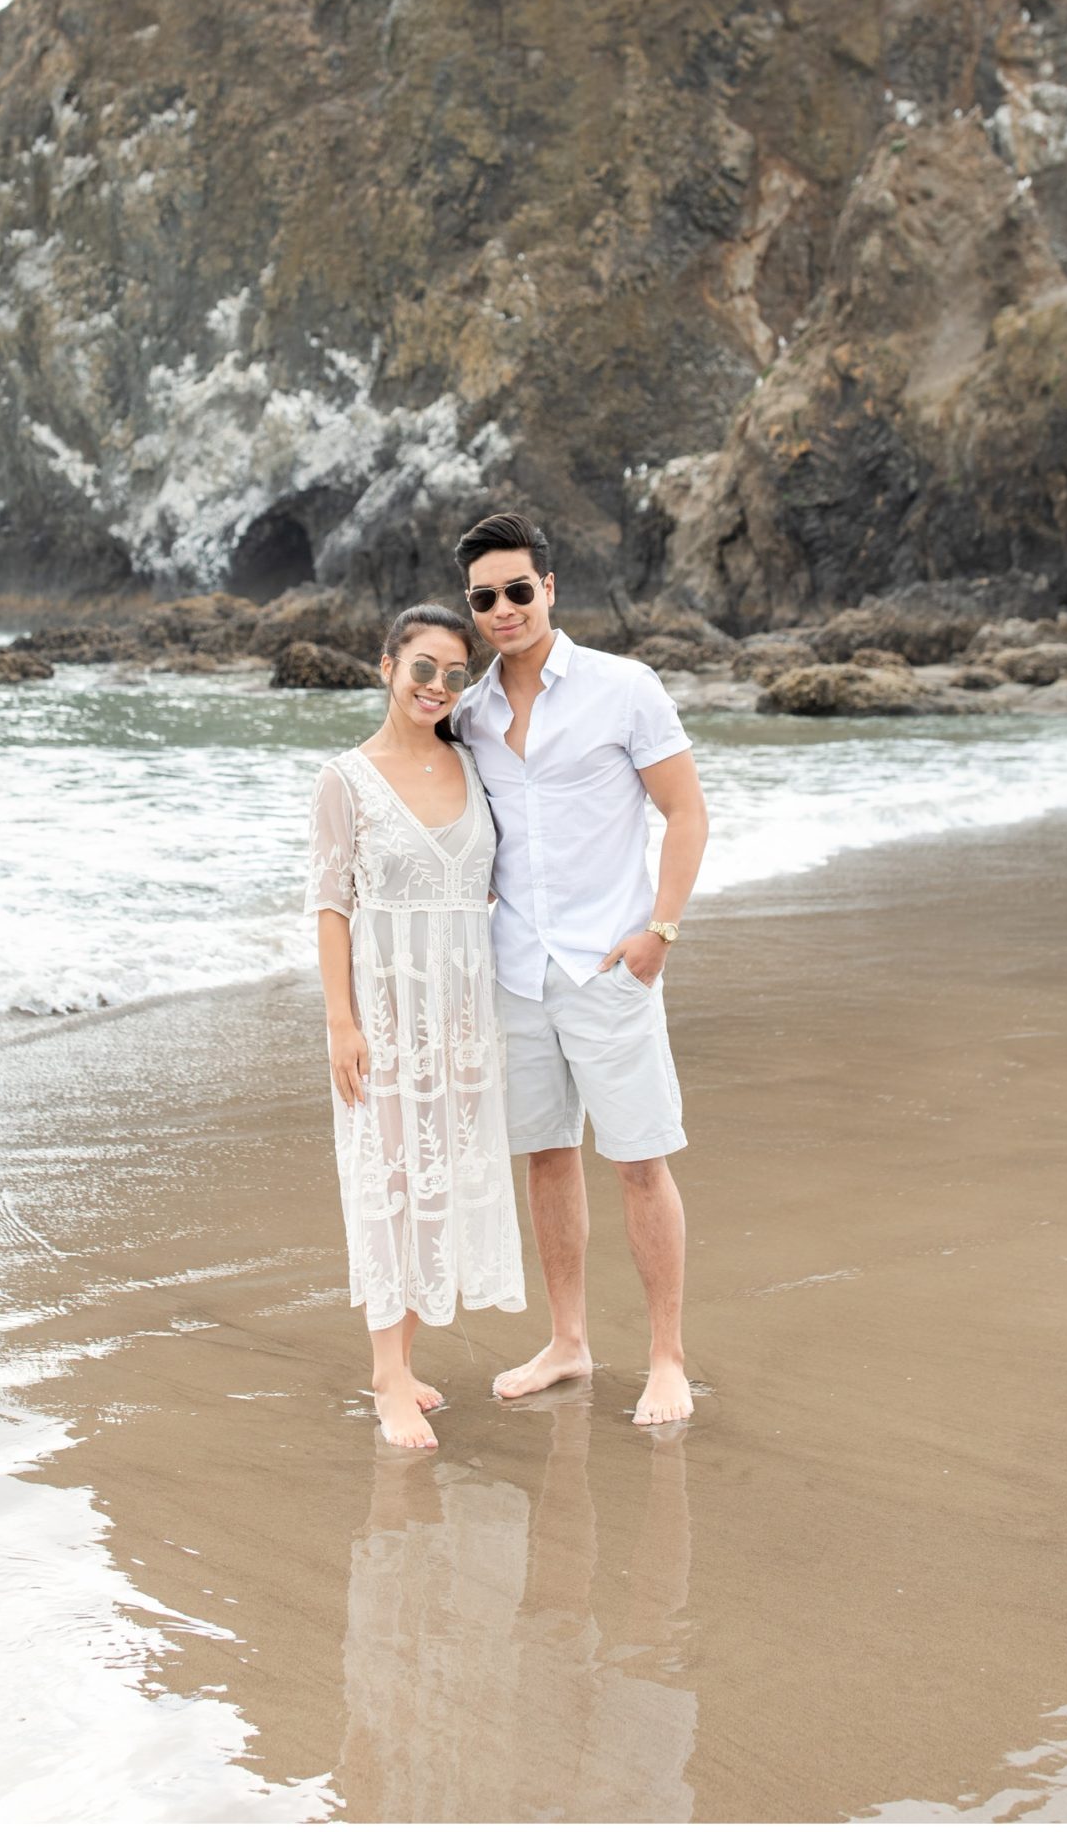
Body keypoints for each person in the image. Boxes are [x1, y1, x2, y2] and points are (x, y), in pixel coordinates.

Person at [450, 512, 710, 1426]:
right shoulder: (470, 713)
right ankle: (569, 1343)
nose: (503, 609)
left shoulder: (624, 687)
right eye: (485, 597)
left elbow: (686, 813)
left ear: (550, 589)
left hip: (610, 965)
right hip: (515, 969)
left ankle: (667, 1359)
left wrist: (659, 934)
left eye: (519, 590)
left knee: (640, 1160)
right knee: (548, 1159)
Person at [308, 602, 526, 1448]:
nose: (437, 686)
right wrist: (341, 1023)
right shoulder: (345, 779)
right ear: (387, 667)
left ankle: (404, 1359)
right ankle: (387, 1378)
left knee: (435, 1175)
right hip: (385, 1017)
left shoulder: (477, 767)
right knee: (387, 1181)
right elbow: (331, 906)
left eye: (453, 673)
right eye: (422, 668)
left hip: (464, 1015)